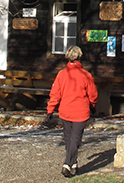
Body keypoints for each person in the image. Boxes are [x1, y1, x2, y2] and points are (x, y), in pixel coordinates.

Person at [47, 45, 98, 178]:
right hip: (80, 112)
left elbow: (55, 94)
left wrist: (50, 110)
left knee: (69, 139)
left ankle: (73, 163)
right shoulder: (86, 75)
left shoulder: (62, 74)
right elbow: (92, 94)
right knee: (75, 139)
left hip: (65, 111)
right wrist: (93, 106)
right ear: (80, 57)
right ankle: (67, 164)